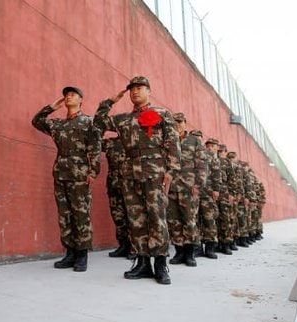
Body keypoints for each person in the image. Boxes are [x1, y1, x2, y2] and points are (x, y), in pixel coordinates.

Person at [95, 76, 181, 285]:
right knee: (136, 218)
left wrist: (172, 170)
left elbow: (173, 143)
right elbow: (98, 121)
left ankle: (160, 264)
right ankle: (142, 263)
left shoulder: (161, 114)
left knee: (156, 217)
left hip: (155, 171)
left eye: (140, 88)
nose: (135, 92)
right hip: (129, 172)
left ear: (149, 91)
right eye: (132, 89)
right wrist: (111, 100)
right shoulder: (123, 119)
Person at [32, 86, 101, 272]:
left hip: (80, 173)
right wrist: (51, 107)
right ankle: (70, 252)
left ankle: (82, 254)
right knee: (65, 215)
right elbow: (37, 121)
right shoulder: (58, 124)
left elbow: (95, 148)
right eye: (66, 95)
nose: (68, 97)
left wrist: (93, 172)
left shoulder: (88, 122)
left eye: (73, 95)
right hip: (60, 172)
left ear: (81, 100)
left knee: (81, 213)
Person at [167, 112, 205, 267]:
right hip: (172, 186)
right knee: (174, 220)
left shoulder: (194, 141)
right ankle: (179, 252)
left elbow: (201, 164)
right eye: (174, 122)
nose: (177, 124)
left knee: (189, 220)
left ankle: (190, 254)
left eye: (180, 122)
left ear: (185, 123)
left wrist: (198, 185)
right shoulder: (167, 139)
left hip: (189, 186)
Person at [103, 135, 134, 259]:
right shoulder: (110, 143)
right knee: (118, 216)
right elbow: (93, 141)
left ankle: (135, 247)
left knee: (132, 217)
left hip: (129, 186)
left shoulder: (133, 139)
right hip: (113, 184)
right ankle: (123, 245)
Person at [198, 138, 223, 259]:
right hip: (195, 191)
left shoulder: (213, 158)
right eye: (210, 146)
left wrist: (216, 189)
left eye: (214, 146)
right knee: (196, 219)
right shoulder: (199, 153)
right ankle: (197, 247)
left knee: (209, 219)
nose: (212, 148)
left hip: (208, 192)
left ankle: (210, 247)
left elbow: (216, 174)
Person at [216, 144, 236, 255]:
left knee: (225, 219)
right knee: (215, 219)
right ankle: (217, 243)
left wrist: (232, 193)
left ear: (225, 152)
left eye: (221, 151)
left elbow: (232, 180)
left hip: (224, 194)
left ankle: (226, 244)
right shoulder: (212, 159)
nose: (220, 153)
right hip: (213, 193)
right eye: (218, 151)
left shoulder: (227, 163)